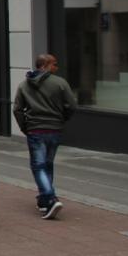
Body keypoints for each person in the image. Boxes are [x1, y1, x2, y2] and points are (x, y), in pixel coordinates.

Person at [13, 53, 77, 220]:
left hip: (35, 130)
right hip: (54, 130)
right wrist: (61, 119)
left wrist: (25, 127)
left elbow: (17, 109)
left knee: (39, 166)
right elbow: (72, 105)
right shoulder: (60, 83)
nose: (56, 67)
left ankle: (49, 197)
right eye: (54, 64)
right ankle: (46, 199)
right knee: (47, 164)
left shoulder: (24, 85)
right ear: (44, 65)